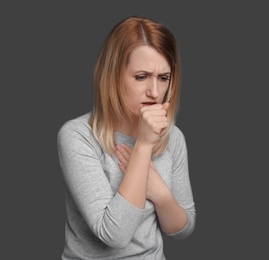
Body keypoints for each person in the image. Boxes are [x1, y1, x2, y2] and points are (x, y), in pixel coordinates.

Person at [57, 15, 196, 260]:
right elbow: (113, 235)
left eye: (163, 78)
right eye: (141, 77)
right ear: (113, 76)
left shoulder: (172, 137)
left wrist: (161, 193)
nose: (155, 92)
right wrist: (143, 146)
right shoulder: (77, 136)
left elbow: (183, 229)